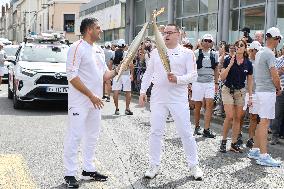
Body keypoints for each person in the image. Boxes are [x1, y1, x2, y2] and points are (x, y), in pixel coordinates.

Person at [139, 24, 203, 180]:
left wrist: (179, 79)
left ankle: (194, 166)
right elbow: (148, 74)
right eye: (164, 33)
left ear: (178, 34)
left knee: (185, 132)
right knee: (156, 132)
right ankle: (154, 165)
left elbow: (193, 75)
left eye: (169, 32)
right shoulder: (156, 52)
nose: (166, 35)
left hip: (178, 98)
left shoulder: (187, 53)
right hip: (158, 97)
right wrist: (142, 91)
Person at [64, 18, 120, 188]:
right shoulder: (76, 48)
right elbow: (72, 76)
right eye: (98, 28)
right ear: (89, 30)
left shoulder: (98, 50)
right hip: (80, 102)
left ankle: (88, 168)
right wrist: (91, 95)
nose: (100, 31)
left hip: (94, 103)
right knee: (75, 136)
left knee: (92, 136)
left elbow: (104, 75)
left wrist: (119, 70)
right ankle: (69, 173)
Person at [248, 27, 282, 167]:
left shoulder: (260, 51)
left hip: (259, 90)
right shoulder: (269, 53)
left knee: (261, 121)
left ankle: (255, 150)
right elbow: (274, 74)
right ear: (276, 39)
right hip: (267, 91)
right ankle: (263, 155)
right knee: (264, 123)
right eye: (279, 39)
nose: (279, 42)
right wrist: (279, 88)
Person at [219, 39, 253, 153]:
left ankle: (233, 143)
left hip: (240, 92)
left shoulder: (248, 63)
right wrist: (230, 64)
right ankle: (223, 141)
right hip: (227, 89)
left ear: (245, 48)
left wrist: (251, 96)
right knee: (229, 116)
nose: (238, 47)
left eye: (241, 45)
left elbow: (250, 81)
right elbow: (222, 77)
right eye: (237, 45)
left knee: (238, 118)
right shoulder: (228, 59)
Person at [192, 34, 219, 138]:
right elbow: (191, 67)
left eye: (209, 41)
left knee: (209, 105)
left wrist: (216, 82)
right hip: (198, 81)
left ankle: (206, 129)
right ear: (202, 42)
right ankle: (197, 126)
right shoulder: (196, 53)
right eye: (205, 40)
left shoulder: (214, 54)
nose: (207, 42)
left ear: (212, 43)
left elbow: (216, 69)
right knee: (198, 105)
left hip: (209, 82)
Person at [242, 41, 262, 148]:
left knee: (254, 117)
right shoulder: (245, 61)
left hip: (255, 93)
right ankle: (238, 136)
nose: (258, 53)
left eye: (259, 51)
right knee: (240, 115)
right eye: (256, 50)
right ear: (251, 50)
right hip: (244, 91)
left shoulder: (261, 63)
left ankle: (250, 139)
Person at [111, 39, 134, 115]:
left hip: (116, 73)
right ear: (124, 46)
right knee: (128, 91)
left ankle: (116, 109)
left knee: (116, 91)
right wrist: (132, 74)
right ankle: (127, 108)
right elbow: (131, 65)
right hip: (126, 74)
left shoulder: (113, 53)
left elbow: (110, 63)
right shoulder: (127, 54)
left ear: (117, 45)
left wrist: (111, 72)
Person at [270, 45, 284, 145]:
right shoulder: (278, 60)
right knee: (277, 114)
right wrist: (280, 71)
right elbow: (273, 74)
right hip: (281, 90)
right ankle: (274, 136)